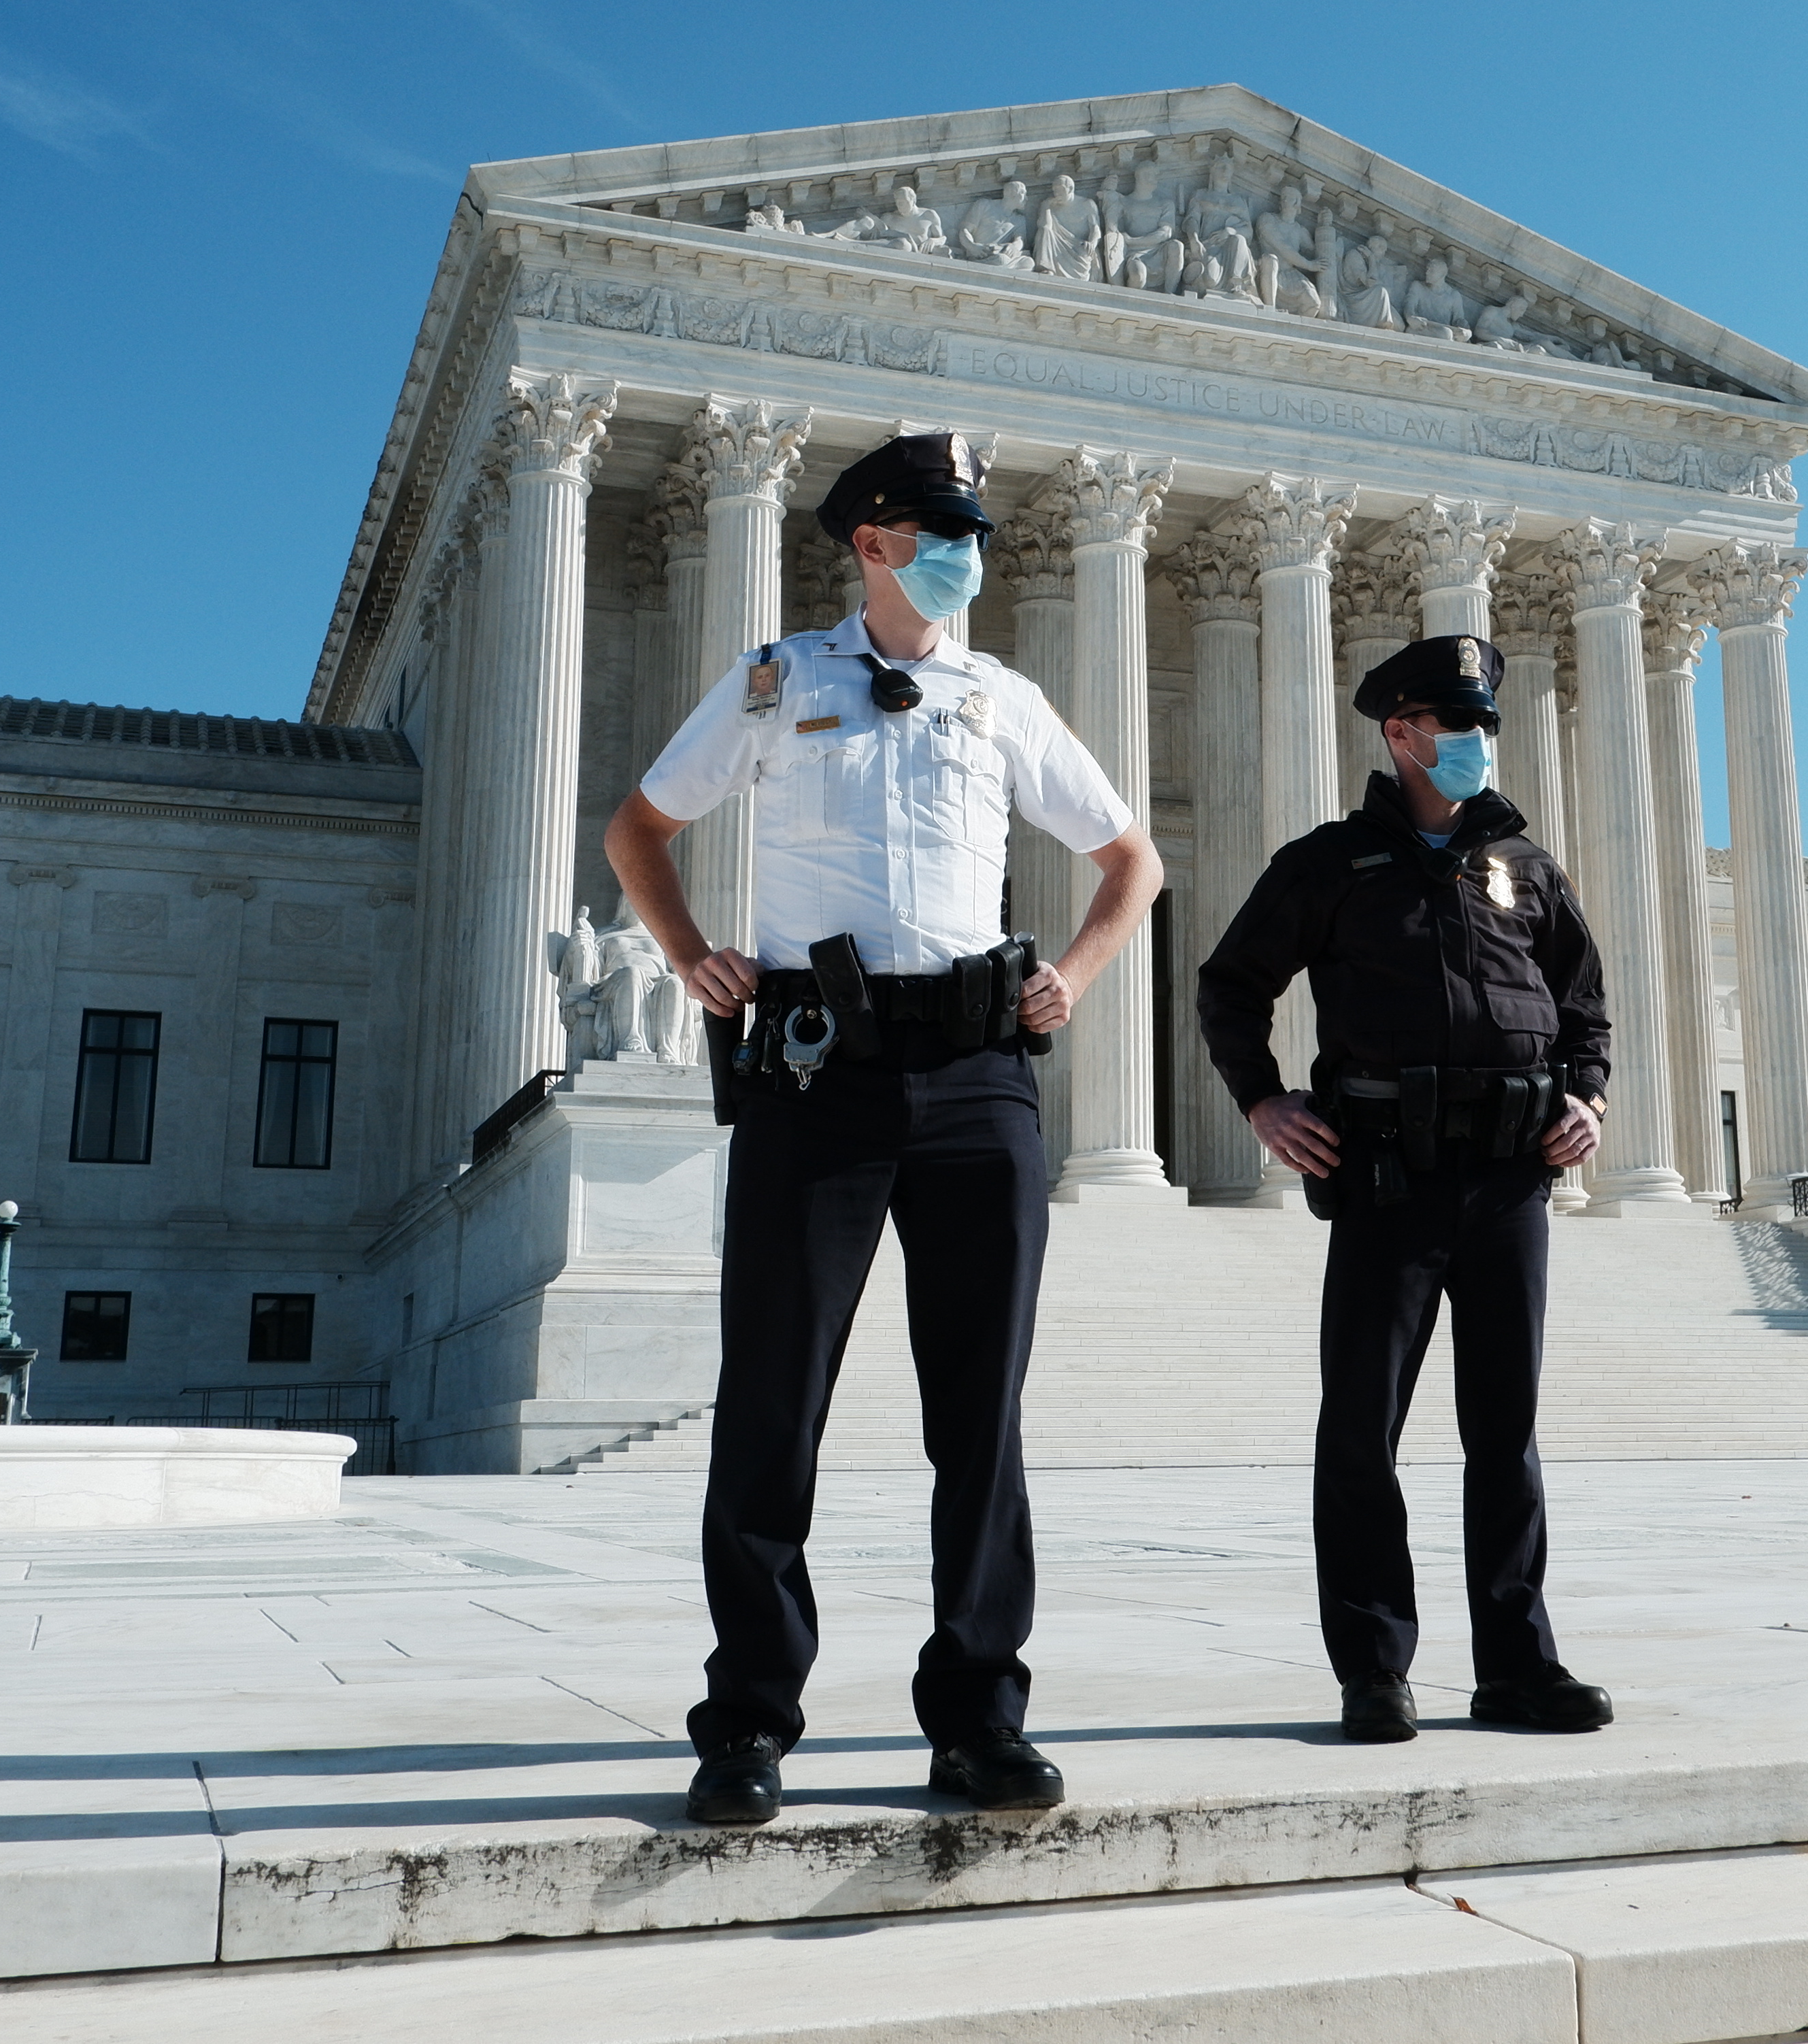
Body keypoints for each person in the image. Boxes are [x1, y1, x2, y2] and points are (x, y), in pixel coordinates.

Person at [607, 432, 1163, 1828]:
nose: (965, 549)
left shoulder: (1001, 697)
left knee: (980, 1413)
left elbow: (1130, 861)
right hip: (821, 1065)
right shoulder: (780, 680)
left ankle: (979, 1714)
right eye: (939, 527)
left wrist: (1076, 977)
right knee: (773, 1398)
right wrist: (692, 957)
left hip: (979, 1067)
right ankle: (747, 1719)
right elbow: (639, 828)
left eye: (969, 528)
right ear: (871, 539)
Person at [1193, 633, 1616, 1747]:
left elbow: (1584, 1002)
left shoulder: (1525, 866)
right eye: (1455, 724)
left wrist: (1590, 1097)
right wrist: (1265, 1103)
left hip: (1512, 1175)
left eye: (1484, 724)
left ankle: (1518, 1665)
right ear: (1401, 733)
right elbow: (1231, 987)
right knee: (1363, 1428)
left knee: (1506, 1431)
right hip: (1388, 1172)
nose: (1475, 742)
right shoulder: (1329, 863)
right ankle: (1375, 1670)